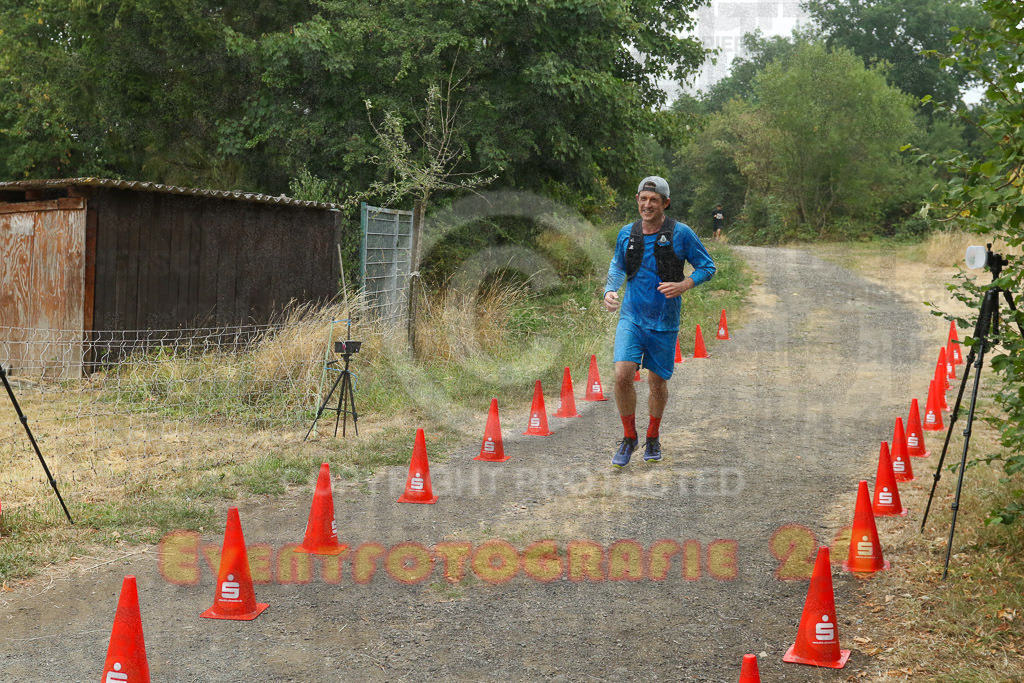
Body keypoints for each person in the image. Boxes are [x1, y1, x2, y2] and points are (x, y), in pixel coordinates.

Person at [603, 176, 716, 467]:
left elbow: (707, 267)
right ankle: (629, 437)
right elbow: (618, 265)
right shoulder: (627, 233)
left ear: (665, 203)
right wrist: (610, 289)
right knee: (622, 375)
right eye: (643, 199)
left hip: (664, 320)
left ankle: (653, 437)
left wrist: (684, 284)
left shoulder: (681, 233)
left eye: (654, 200)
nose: (647, 204)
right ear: (637, 200)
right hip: (631, 317)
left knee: (656, 383)